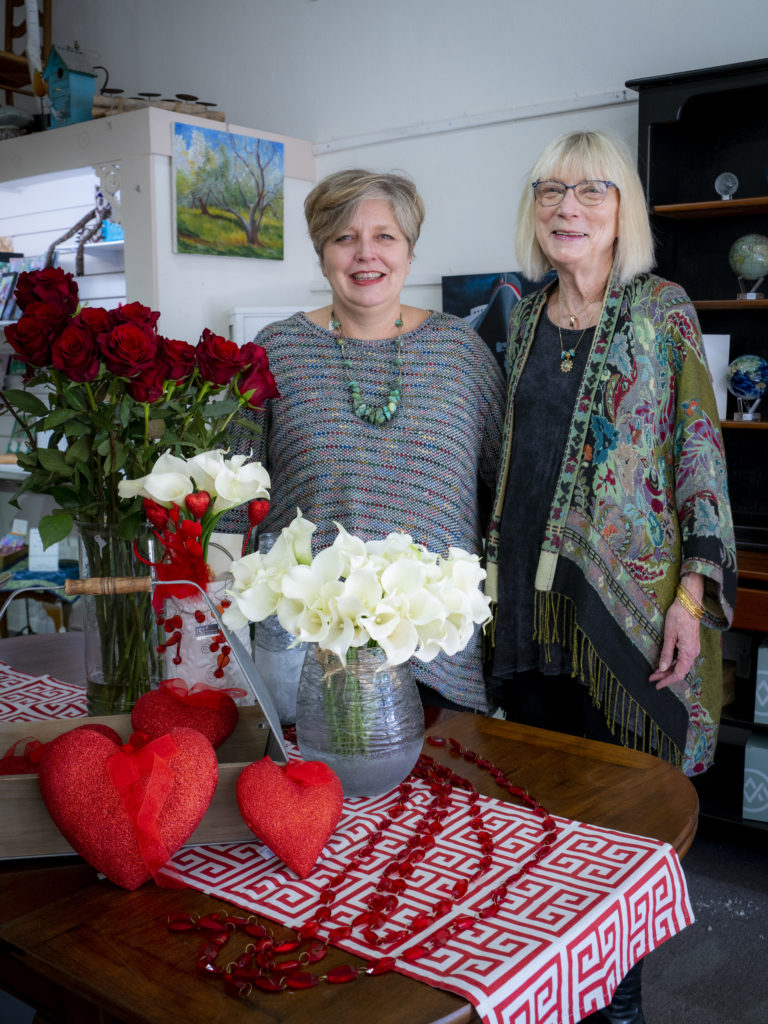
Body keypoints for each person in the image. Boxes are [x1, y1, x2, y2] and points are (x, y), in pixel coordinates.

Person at [485, 128, 738, 1024]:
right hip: (524, 610)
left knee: (621, 832)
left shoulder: (663, 308)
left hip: (628, 618)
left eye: (592, 191)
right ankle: (549, 997)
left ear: (622, 207)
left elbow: (699, 457)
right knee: (542, 823)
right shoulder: (511, 317)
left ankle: (619, 1007)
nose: (568, 208)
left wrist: (691, 593)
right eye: (551, 191)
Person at [225, 168, 505, 713]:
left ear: (409, 248)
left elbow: (506, 494)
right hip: (307, 653)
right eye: (344, 237)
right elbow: (233, 504)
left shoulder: (461, 352)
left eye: (385, 237)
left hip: (436, 655)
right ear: (322, 250)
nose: (365, 255)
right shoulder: (276, 351)